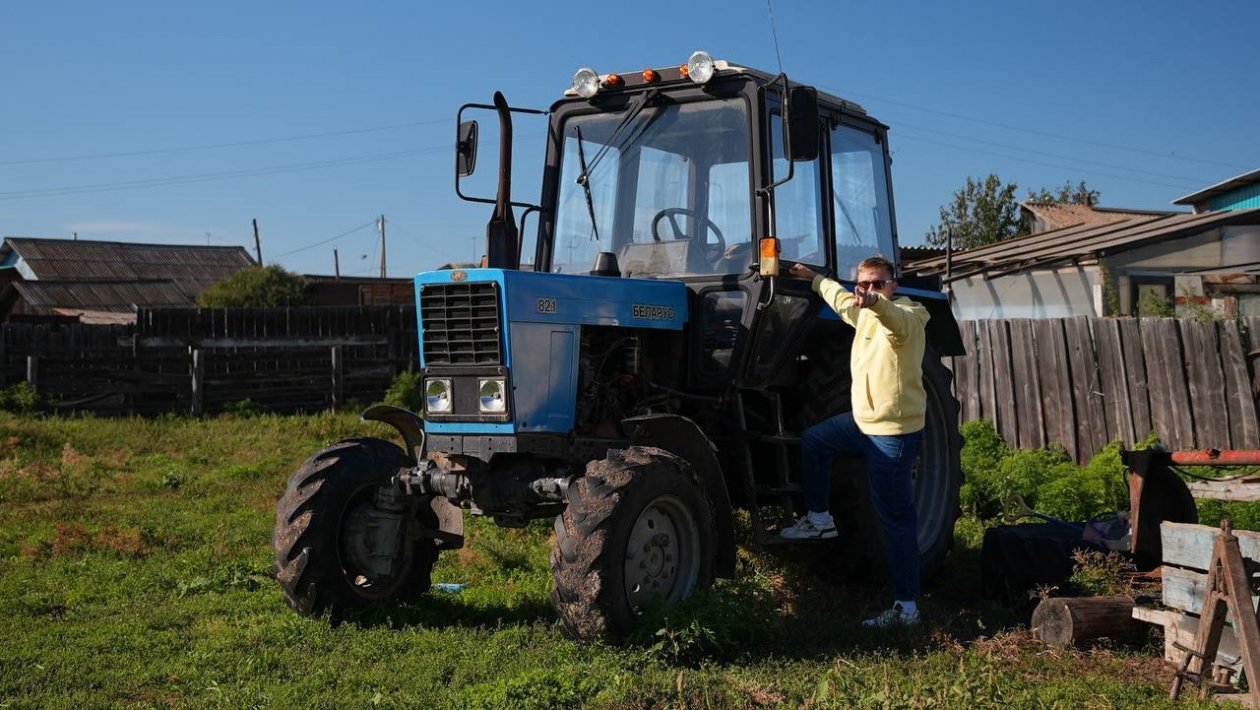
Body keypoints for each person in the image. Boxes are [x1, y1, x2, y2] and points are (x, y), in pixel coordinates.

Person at [779, 255, 930, 627]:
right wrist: (814, 278)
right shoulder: (861, 313)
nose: (868, 291)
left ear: (893, 285)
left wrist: (877, 303)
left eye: (878, 283)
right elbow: (841, 299)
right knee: (814, 442)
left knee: (896, 520)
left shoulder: (909, 317)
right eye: (863, 284)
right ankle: (819, 517)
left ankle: (907, 608)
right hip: (862, 424)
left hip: (891, 434)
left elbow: (897, 321)